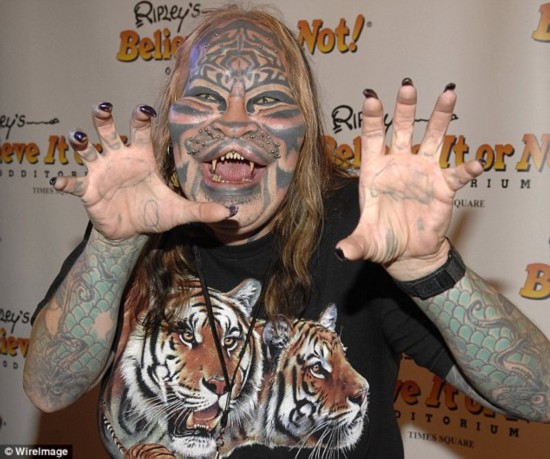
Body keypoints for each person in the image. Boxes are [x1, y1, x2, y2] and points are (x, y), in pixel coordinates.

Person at [23, 4, 550, 459]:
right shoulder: (138, 219)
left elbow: (540, 395)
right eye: (205, 98)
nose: (234, 123)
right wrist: (113, 246)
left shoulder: (360, 227)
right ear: (171, 126)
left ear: (305, 133)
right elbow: (48, 389)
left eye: (268, 101)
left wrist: (428, 268)